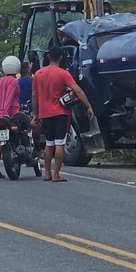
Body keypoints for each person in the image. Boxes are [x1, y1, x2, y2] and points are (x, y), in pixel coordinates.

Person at [32, 47, 94, 183]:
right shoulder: (63, 73)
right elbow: (77, 90)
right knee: (60, 143)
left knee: (49, 143)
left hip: (45, 113)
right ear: (61, 58)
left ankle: (47, 173)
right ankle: (56, 175)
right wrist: (88, 106)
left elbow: (35, 96)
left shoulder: (38, 74)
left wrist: (36, 114)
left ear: (48, 57)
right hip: (61, 112)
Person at [0, 55, 42, 179]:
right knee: (35, 124)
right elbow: (10, 97)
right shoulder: (13, 81)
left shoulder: (0, 82)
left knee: (0, 141)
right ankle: (37, 149)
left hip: (0, 117)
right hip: (14, 115)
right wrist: (6, 112)